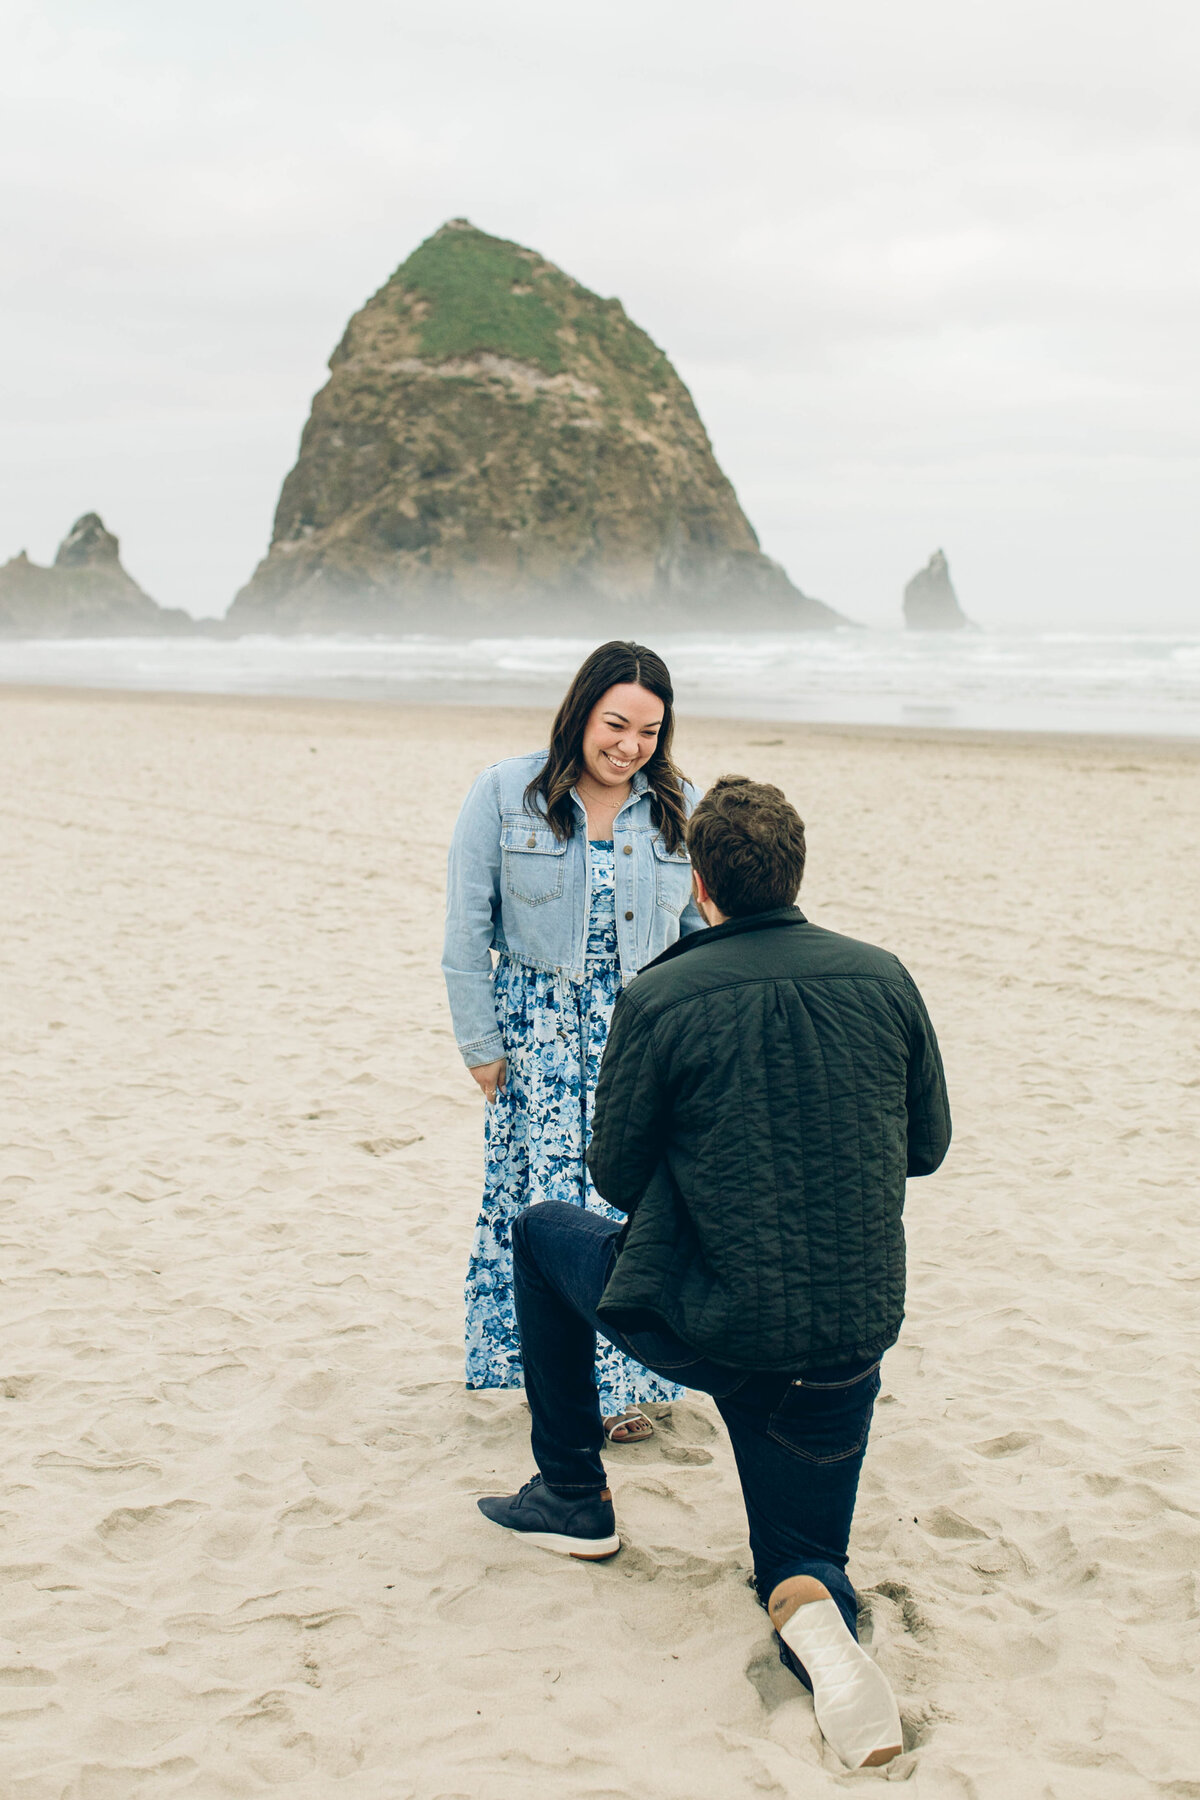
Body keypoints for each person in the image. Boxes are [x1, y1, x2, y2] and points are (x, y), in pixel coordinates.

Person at [476, 775, 951, 1771]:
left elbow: (612, 1171)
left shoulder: (662, 994)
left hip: (708, 1322)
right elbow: (927, 1146)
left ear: (700, 883)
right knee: (799, 1560)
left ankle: (571, 1495)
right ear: (796, 871)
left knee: (540, 1232)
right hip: (845, 1342)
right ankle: (816, 1615)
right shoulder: (885, 975)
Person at [442, 641, 707, 1443]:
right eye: (616, 724)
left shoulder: (676, 803)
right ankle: (560, 1385)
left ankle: (622, 1384)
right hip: (539, 1041)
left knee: (636, 1209)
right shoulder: (505, 792)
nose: (630, 746)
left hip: (643, 1041)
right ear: (582, 712)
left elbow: (701, 934)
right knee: (550, 1210)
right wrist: (481, 1045)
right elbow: (466, 929)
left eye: (650, 732)